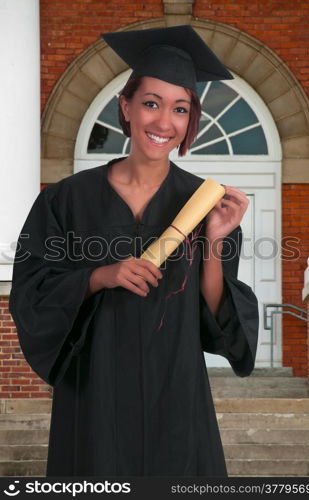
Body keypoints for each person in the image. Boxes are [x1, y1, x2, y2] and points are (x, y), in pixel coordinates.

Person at [9, 25, 259, 476]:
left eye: (179, 109)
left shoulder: (203, 202)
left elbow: (217, 319)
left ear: (190, 121)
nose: (164, 122)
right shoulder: (65, 200)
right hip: (94, 392)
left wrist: (216, 242)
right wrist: (97, 276)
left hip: (176, 394)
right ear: (126, 107)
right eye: (151, 103)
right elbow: (30, 294)